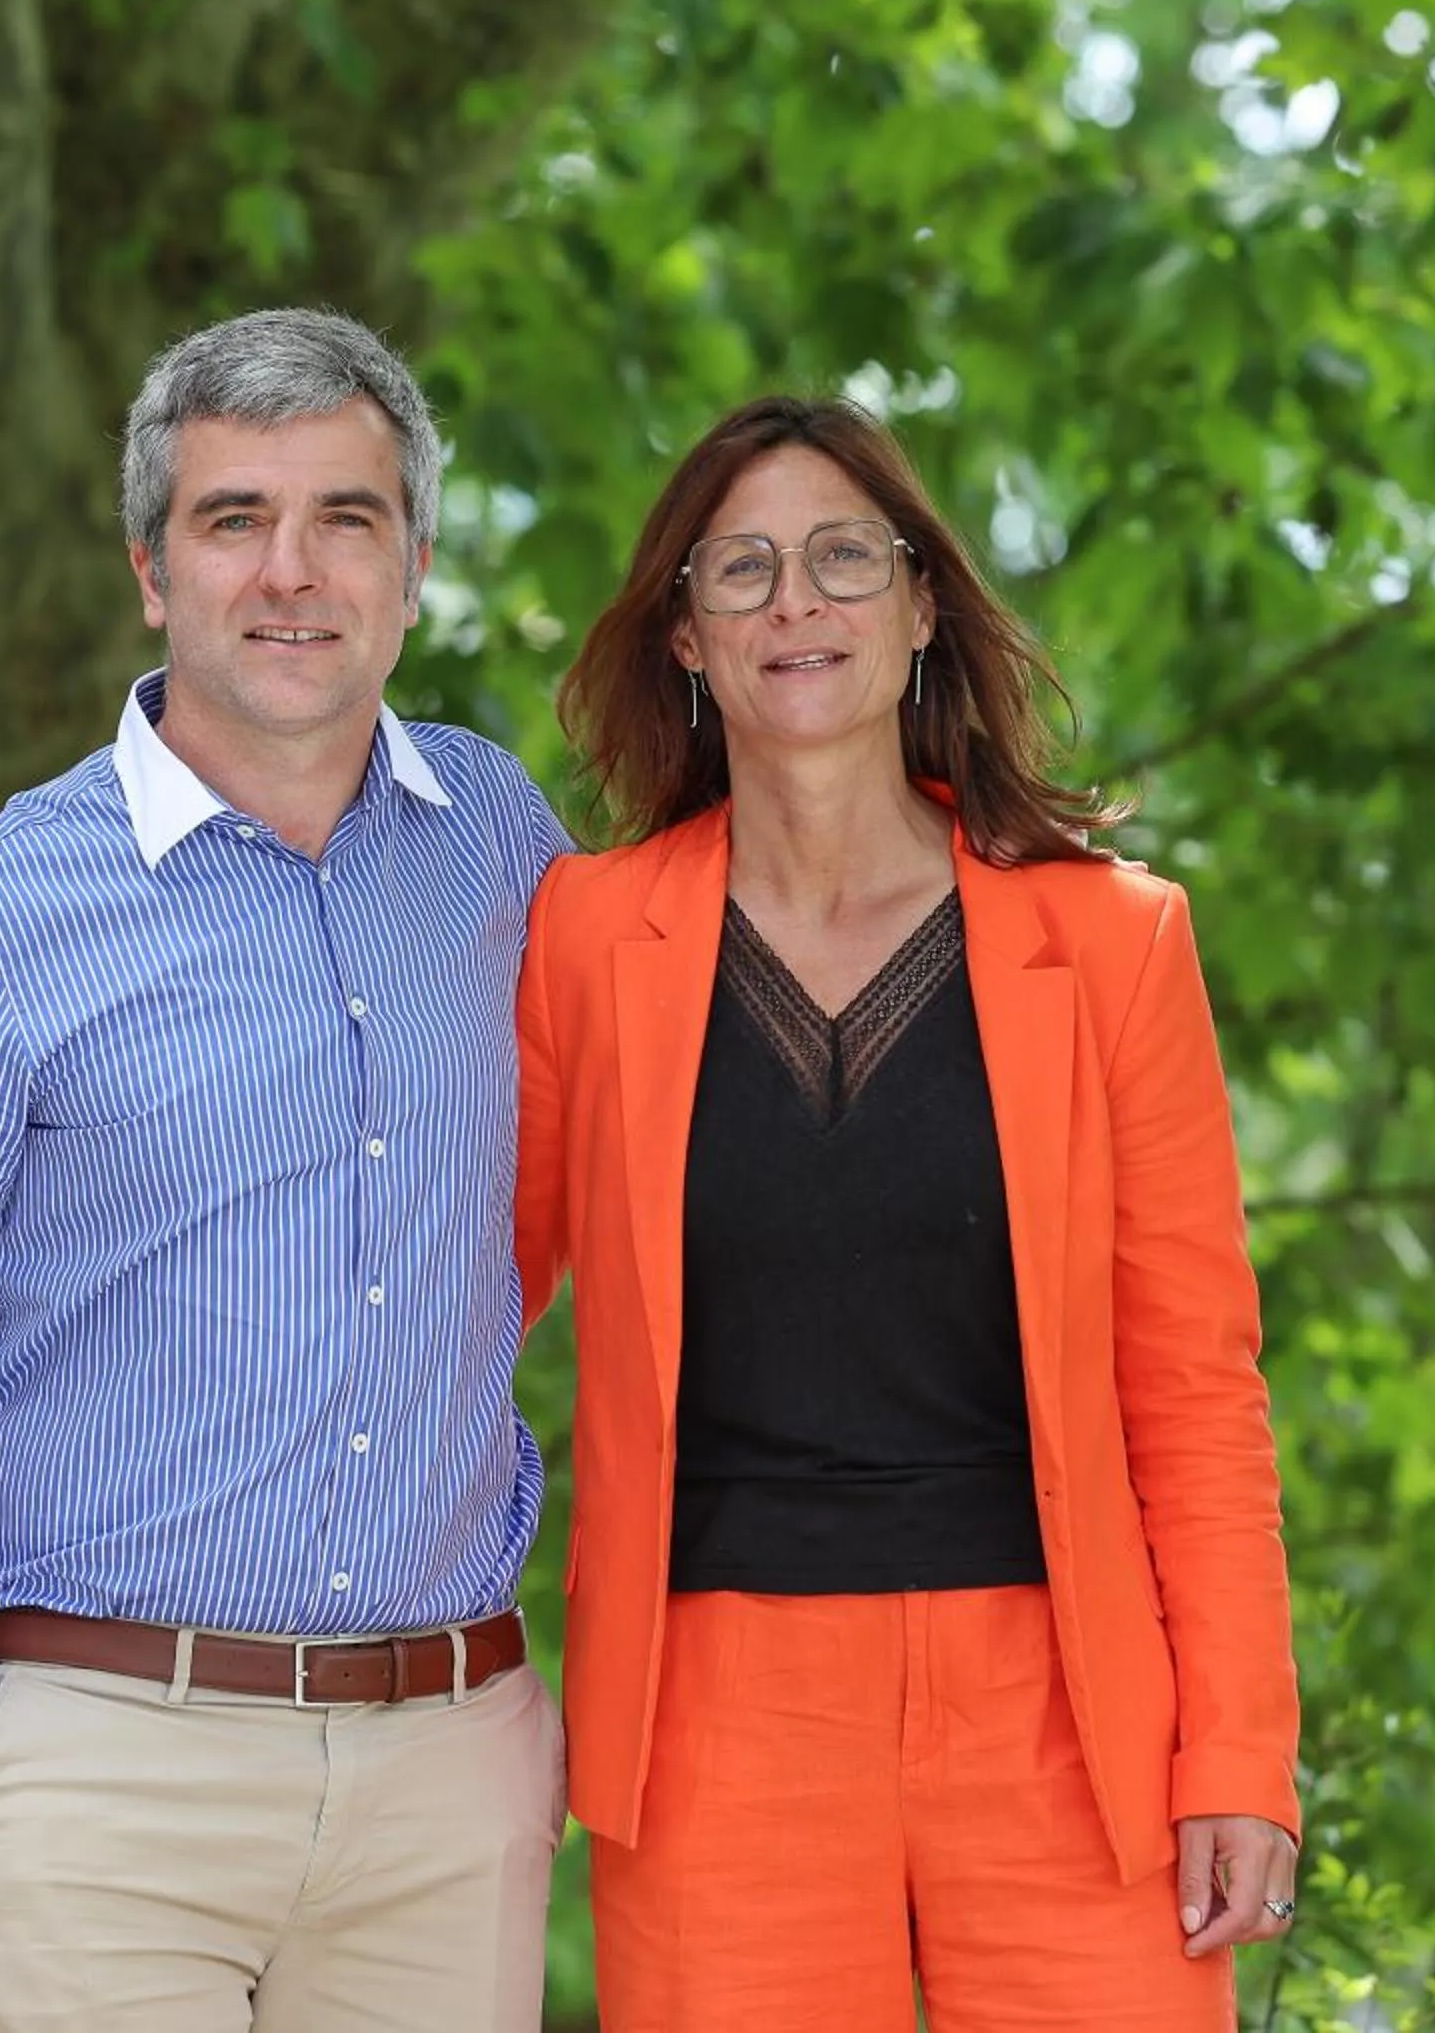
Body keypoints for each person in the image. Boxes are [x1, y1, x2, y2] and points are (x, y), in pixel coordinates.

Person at [0, 308, 571, 2032]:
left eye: (346, 517)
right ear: (151, 568)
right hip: (98, 1773)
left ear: (413, 565)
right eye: (233, 519)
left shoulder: (504, 844)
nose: (293, 571)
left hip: (452, 1772)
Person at [515, 394, 1302, 2030]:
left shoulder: (1112, 944)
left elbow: (1198, 1390)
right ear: (683, 637)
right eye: (740, 571)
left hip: (1071, 1715)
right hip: (715, 1719)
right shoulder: (585, 940)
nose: (794, 603)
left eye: (840, 559)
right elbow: (448, 1303)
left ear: (922, 603)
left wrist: (1236, 1749)